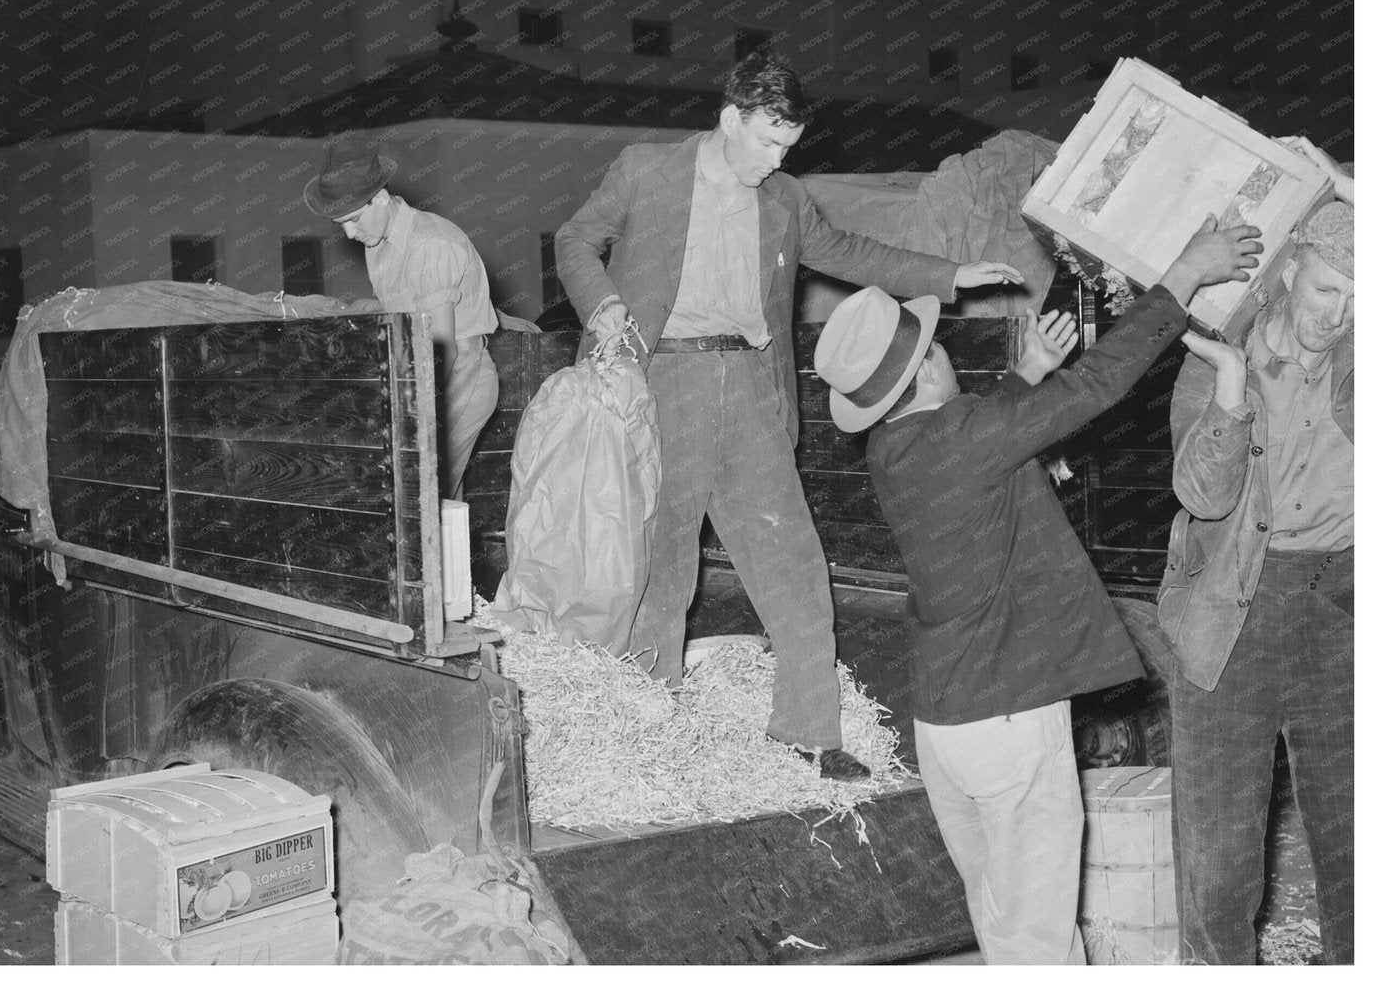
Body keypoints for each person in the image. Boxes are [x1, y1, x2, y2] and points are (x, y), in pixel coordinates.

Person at [555, 51, 1025, 780]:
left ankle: (807, 733)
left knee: (794, 560)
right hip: (664, 379)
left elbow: (848, 251)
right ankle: (649, 732)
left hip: (750, 386)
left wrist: (950, 275)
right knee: (661, 565)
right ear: (730, 119)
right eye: (768, 142)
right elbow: (575, 240)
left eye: (789, 146)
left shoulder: (785, 198)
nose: (777, 160)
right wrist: (604, 303)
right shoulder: (646, 170)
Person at [816, 216, 1261, 961]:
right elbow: (1095, 383)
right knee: (1039, 941)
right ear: (926, 371)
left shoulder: (891, 449)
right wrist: (1184, 272)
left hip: (946, 726)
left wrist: (1024, 376)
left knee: (1007, 921)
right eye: (938, 347)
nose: (947, 354)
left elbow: (973, 433)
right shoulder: (964, 438)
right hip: (1009, 718)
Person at [1159, 198, 1353, 964]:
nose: (1337, 316)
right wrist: (1233, 389)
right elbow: (1203, 496)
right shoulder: (1216, 357)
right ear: (1290, 268)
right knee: (1219, 854)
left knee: (1355, 840)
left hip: (1342, 610)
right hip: (1231, 608)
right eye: (1327, 289)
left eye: (1358, 301)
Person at [305, 140, 499, 499]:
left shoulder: (429, 244)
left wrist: (411, 415)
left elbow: (442, 351)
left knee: (425, 495)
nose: (349, 234)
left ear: (380, 199)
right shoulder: (378, 243)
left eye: (353, 219)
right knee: (428, 498)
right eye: (339, 224)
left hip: (459, 376)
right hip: (421, 376)